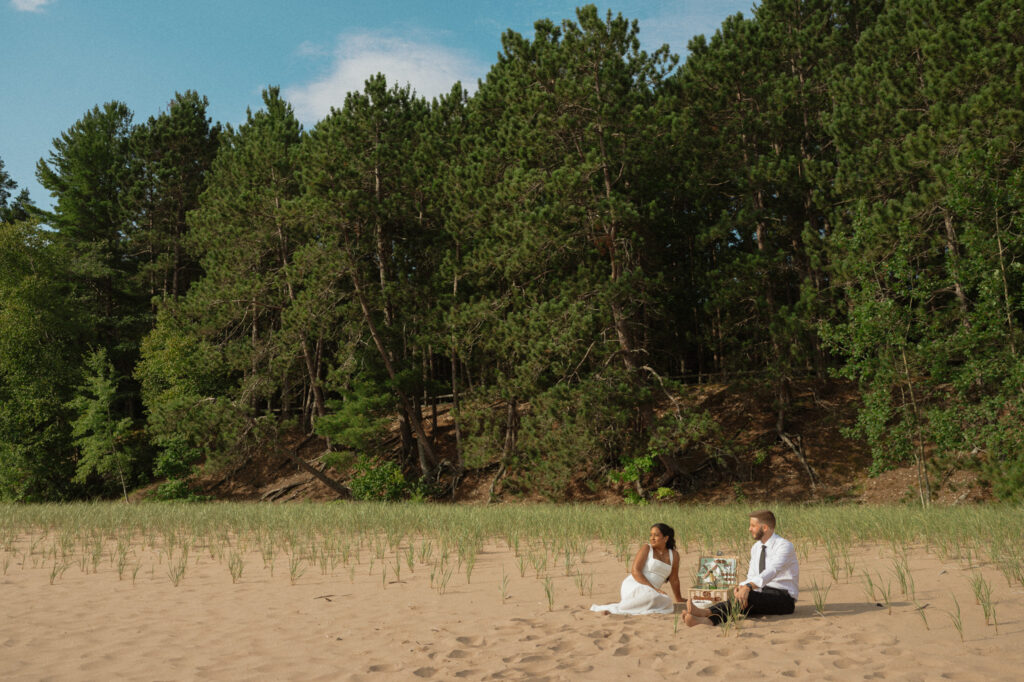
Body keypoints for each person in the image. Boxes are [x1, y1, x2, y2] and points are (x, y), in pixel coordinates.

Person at [685, 510, 798, 627]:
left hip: (784, 598)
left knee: (748, 596)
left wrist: (748, 587)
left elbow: (772, 571)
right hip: (761, 594)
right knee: (741, 600)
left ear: (764, 528)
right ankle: (705, 621)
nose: (749, 529)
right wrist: (741, 586)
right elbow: (752, 575)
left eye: (753, 526)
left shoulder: (784, 546)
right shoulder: (756, 547)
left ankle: (706, 612)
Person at [590, 523, 685, 615]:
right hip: (636, 583)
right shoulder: (647, 548)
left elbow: (674, 579)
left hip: (652, 591)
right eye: (651, 535)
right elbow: (635, 571)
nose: (652, 538)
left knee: (666, 601)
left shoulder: (674, 555)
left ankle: (622, 605)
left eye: (656, 535)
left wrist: (679, 598)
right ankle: (616, 610)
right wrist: (654, 589)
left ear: (666, 538)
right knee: (653, 597)